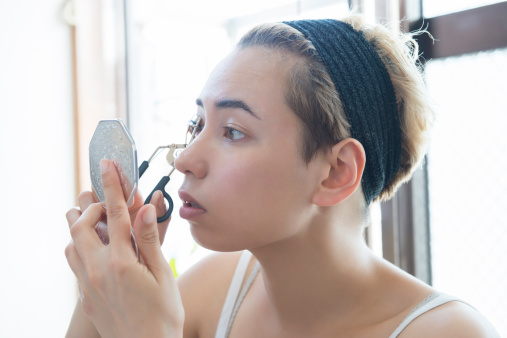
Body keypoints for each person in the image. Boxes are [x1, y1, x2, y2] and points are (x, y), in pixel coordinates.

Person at [65, 15, 499, 337]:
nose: (185, 160)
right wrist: (101, 287)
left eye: (233, 131)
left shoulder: (449, 331)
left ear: (336, 173)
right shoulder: (210, 291)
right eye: (197, 125)